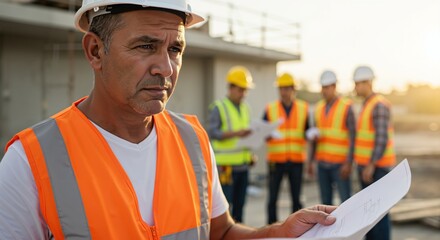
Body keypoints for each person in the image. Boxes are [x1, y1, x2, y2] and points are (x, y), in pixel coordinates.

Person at [0, 0, 337, 238]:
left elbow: (219, 234)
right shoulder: (30, 162)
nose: (165, 68)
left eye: (175, 49)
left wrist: (279, 233)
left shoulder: (192, 138)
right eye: (145, 46)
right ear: (95, 51)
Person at [353, 65, 396, 240]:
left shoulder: (378, 105)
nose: (355, 87)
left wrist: (370, 165)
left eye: (358, 84)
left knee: (379, 215)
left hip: (377, 169)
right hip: (367, 167)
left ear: (368, 82)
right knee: (369, 214)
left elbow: (381, 139)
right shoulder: (367, 105)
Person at [207, 66, 255, 223]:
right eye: (241, 89)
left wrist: (250, 155)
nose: (243, 94)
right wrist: (236, 133)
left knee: (240, 206)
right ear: (231, 88)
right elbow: (212, 133)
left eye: (245, 90)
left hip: (243, 166)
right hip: (226, 168)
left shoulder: (245, 108)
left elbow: (246, 137)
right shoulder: (219, 108)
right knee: (224, 210)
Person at [262, 73, 310, 224]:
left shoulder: (304, 108)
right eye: (282, 88)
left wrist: (311, 134)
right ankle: (272, 229)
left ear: (293, 89)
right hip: (276, 161)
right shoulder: (270, 109)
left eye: (287, 88)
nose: (284, 92)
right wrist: (268, 134)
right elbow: (263, 133)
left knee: (296, 199)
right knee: (273, 198)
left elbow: (307, 131)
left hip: (296, 160)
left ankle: (297, 228)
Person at [307, 70, 356, 205]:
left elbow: (353, 137)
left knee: (346, 203)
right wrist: (311, 161)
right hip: (322, 165)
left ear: (334, 87)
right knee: (325, 205)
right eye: (323, 87)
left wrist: (349, 162)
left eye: (327, 87)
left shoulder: (346, 107)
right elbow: (315, 139)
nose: (324, 91)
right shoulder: (318, 108)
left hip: (340, 165)